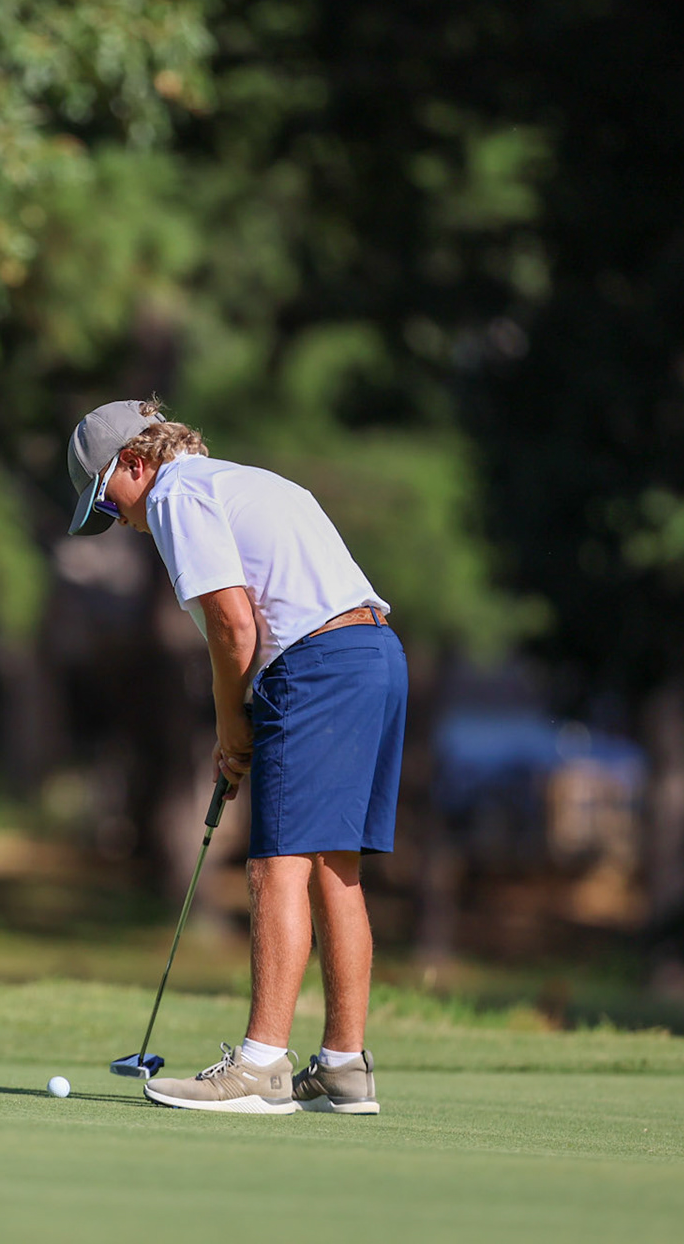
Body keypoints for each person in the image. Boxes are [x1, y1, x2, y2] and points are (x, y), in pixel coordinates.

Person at [66, 400, 406, 1114]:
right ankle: (343, 1066)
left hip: (316, 664)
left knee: (276, 863)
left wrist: (229, 721)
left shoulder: (175, 495)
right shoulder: (242, 480)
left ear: (136, 462)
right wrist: (244, 717)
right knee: (334, 867)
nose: (117, 520)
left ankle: (260, 1067)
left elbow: (233, 624)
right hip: (373, 652)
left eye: (108, 500)